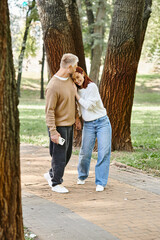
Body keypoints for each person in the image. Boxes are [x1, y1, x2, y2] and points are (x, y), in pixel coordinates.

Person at [72, 66, 112, 192]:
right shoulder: (76, 90)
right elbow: (77, 107)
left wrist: (77, 96)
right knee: (85, 152)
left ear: (82, 73)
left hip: (102, 122)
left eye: (78, 77)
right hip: (88, 124)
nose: (77, 81)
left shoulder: (92, 87)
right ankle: (82, 175)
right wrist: (77, 119)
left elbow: (88, 106)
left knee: (103, 152)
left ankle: (100, 182)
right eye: (74, 80)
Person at [44, 53, 79, 193]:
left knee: (67, 154)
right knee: (59, 156)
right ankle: (56, 183)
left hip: (69, 125)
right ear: (69, 66)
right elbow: (49, 110)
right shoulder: (53, 86)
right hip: (59, 127)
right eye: (75, 65)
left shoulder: (69, 80)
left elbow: (72, 100)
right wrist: (53, 131)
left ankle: (51, 174)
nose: (76, 68)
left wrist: (76, 118)